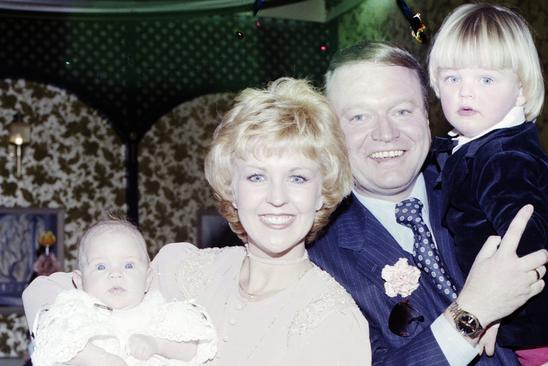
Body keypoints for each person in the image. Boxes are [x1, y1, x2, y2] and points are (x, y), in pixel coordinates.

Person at [308, 41, 548, 366]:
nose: (385, 133)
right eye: (359, 117)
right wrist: (472, 313)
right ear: (331, 131)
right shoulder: (318, 256)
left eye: (402, 111)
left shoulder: (487, 177)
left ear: (428, 116)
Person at [23, 77, 371, 366]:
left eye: (297, 178)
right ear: (231, 188)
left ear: (322, 192)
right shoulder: (185, 271)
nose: (276, 197)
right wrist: (86, 354)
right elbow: (43, 291)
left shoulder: (332, 320)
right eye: (256, 177)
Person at [427, 4, 548, 365]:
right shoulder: (484, 146)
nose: (465, 93)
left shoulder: (502, 159)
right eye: (453, 78)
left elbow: (526, 244)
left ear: (521, 91)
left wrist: (493, 311)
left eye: (486, 79)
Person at [30, 219, 218, 366]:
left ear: (147, 279)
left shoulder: (158, 310)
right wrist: (100, 359)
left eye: (128, 265)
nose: (115, 274)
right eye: (101, 266)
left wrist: (157, 344)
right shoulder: (76, 310)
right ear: (79, 282)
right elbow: (53, 343)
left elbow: (192, 348)